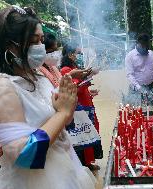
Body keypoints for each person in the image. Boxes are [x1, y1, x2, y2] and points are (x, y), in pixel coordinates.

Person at [0, 6, 95, 189]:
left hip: (65, 173)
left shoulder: (39, 77)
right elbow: (24, 155)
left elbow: (58, 126)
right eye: (34, 41)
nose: (41, 47)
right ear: (9, 45)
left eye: (42, 40)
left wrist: (67, 108)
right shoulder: (1, 86)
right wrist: (62, 114)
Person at [60, 43, 102, 171]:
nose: (78, 56)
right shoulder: (66, 70)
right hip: (78, 107)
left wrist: (90, 92)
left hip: (86, 103)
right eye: (77, 53)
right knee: (82, 134)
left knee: (90, 131)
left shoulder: (75, 67)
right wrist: (87, 77)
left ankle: (89, 161)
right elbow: (74, 87)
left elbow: (82, 86)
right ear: (69, 54)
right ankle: (84, 163)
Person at [125, 33, 153, 106]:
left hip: (150, 87)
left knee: (150, 111)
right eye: (143, 45)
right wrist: (139, 88)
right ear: (137, 43)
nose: (145, 48)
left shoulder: (151, 54)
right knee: (136, 113)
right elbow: (130, 75)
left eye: (147, 45)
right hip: (136, 90)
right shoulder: (130, 56)